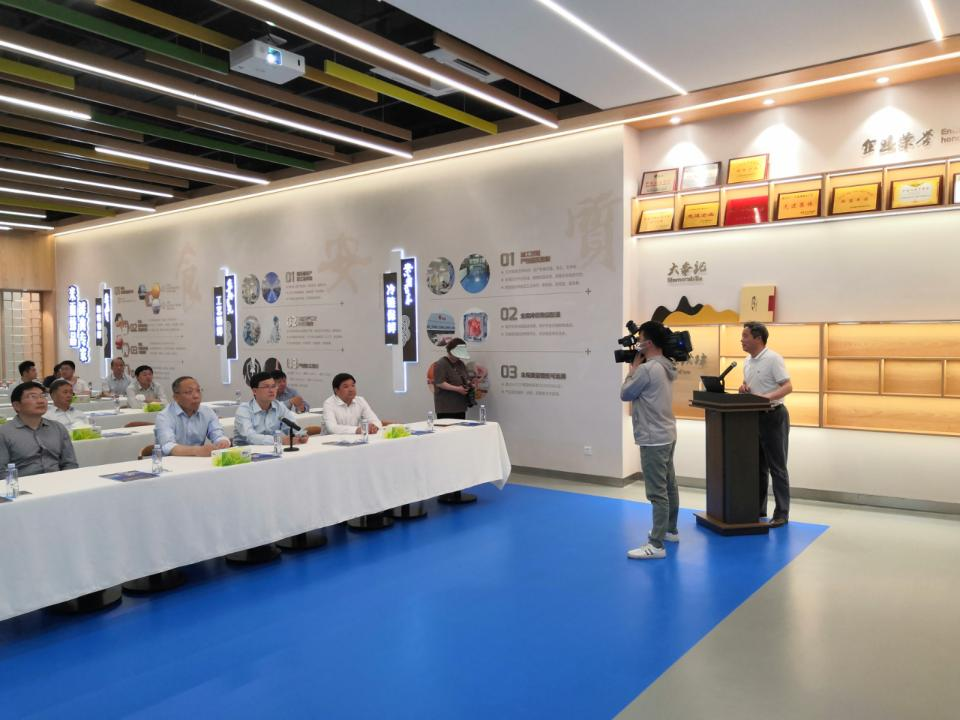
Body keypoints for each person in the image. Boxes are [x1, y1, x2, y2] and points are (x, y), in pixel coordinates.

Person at [620, 321, 679, 560]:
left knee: (657, 492)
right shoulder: (666, 365)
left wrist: (632, 370)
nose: (638, 343)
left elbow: (625, 393)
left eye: (641, 339)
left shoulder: (646, 370)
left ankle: (656, 544)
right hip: (667, 433)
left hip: (653, 437)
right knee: (669, 486)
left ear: (650, 343)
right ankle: (670, 529)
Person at [739, 322, 793, 527]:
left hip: (774, 416)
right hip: (753, 417)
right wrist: (744, 388)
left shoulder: (773, 358)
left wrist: (766, 397)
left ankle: (781, 513)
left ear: (758, 338)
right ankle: (758, 509)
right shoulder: (747, 361)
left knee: (777, 467)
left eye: (745, 336)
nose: (742, 340)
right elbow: (751, 385)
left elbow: (788, 386)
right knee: (758, 467)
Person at [0, 381, 78, 475]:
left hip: (58, 481)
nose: (41, 401)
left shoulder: (58, 428)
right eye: (33, 397)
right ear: (17, 405)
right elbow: (2, 472)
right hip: (22, 483)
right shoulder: (4, 433)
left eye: (42, 396)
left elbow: (70, 463)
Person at [154, 376, 231, 456]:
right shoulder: (164, 416)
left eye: (198, 391)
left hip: (198, 461)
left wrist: (222, 442)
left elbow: (218, 434)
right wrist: (197, 451)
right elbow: (168, 446)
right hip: (170, 462)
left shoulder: (207, 412)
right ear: (176, 397)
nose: (196, 396)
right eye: (189, 392)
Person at [234, 371, 308, 445]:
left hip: (274, 449)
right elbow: (250, 437)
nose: (271, 390)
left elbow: (294, 428)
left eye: (273, 386)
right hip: (246, 450)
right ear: (254, 391)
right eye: (266, 387)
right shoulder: (244, 410)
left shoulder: (280, 406)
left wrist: (301, 435)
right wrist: (279, 440)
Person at [432, 338, 472, 420]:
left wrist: (470, 384)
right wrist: (457, 389)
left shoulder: (460, 363)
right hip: (446, 408)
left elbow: (465, 378)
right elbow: (440, 383)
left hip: (460, 406)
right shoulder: (441, 364)